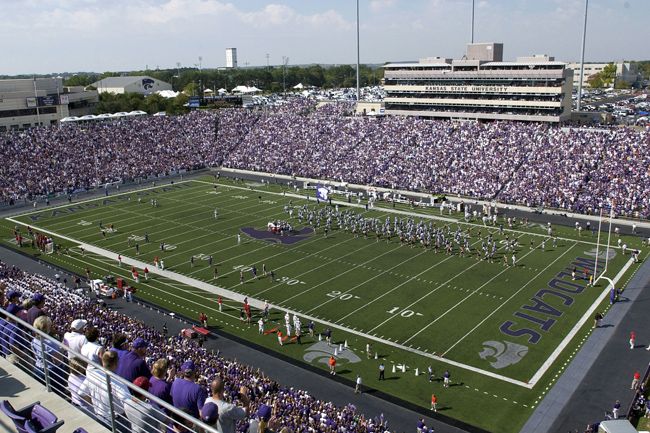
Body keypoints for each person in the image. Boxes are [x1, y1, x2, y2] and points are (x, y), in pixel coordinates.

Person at [78, 350, 132, 431]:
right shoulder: (118, 382)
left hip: (100, 416)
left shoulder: (93, 374)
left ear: (102, 361)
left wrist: (94, 404)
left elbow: (81, 393)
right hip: (117, 420)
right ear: (116, 364)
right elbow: (128, 402)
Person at [31, 316, 67, 393]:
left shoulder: (34, 340)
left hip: (38, 368)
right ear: (46, 328)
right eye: (50, 326)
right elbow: (56, 361)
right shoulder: (50, 343)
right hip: (52, 372)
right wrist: (63, 348)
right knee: (57, 393)